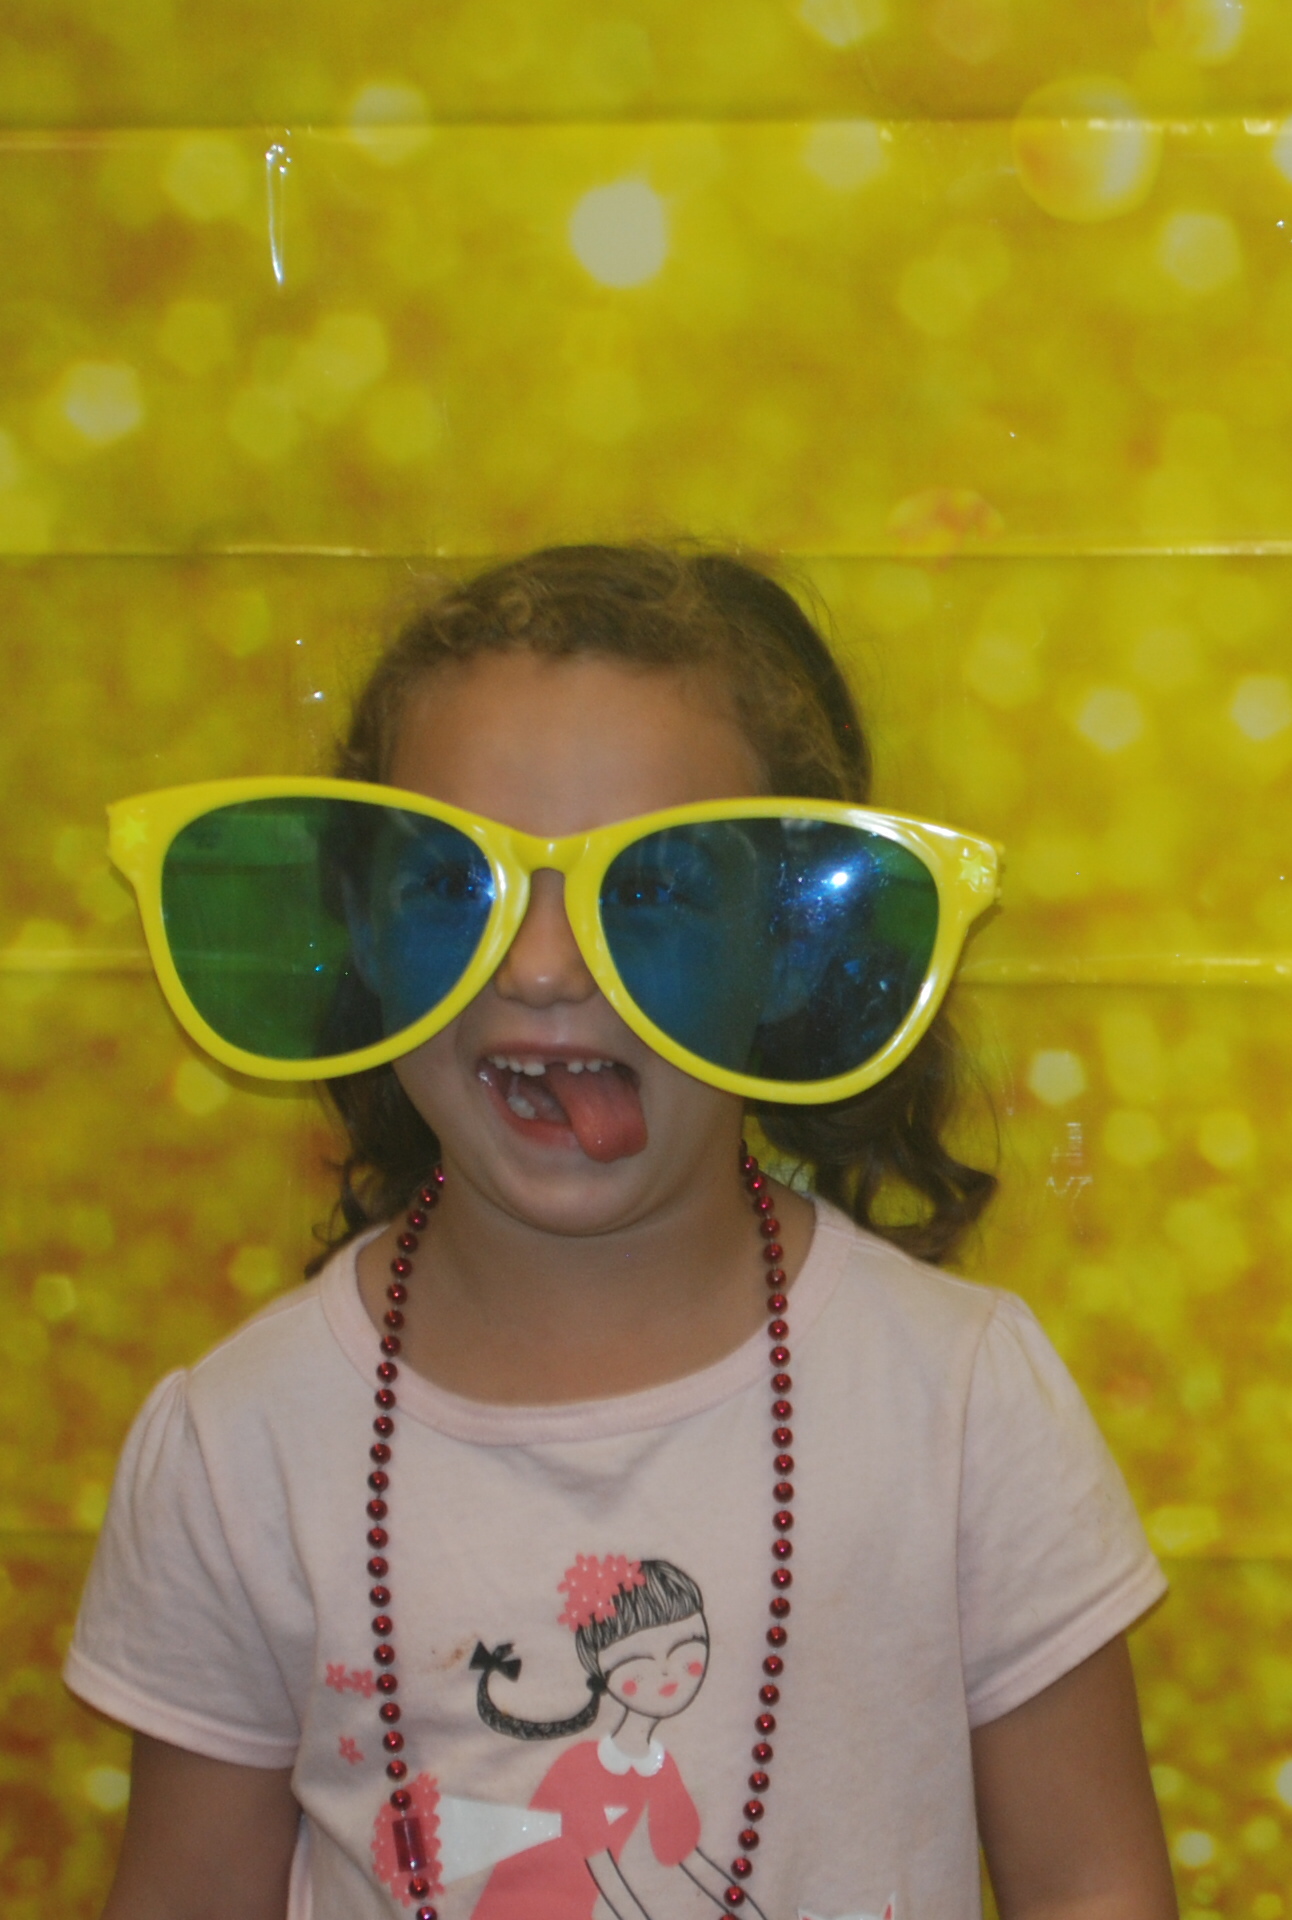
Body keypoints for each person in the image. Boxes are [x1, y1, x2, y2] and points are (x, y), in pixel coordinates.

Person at [71, 546, 1180, 1920]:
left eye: (648, 892)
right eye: (453, 886)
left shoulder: (959, 1404)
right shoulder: (237, 1449)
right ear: (366, 936)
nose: (542, 967)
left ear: (784, 943)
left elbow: (1096, 1887)